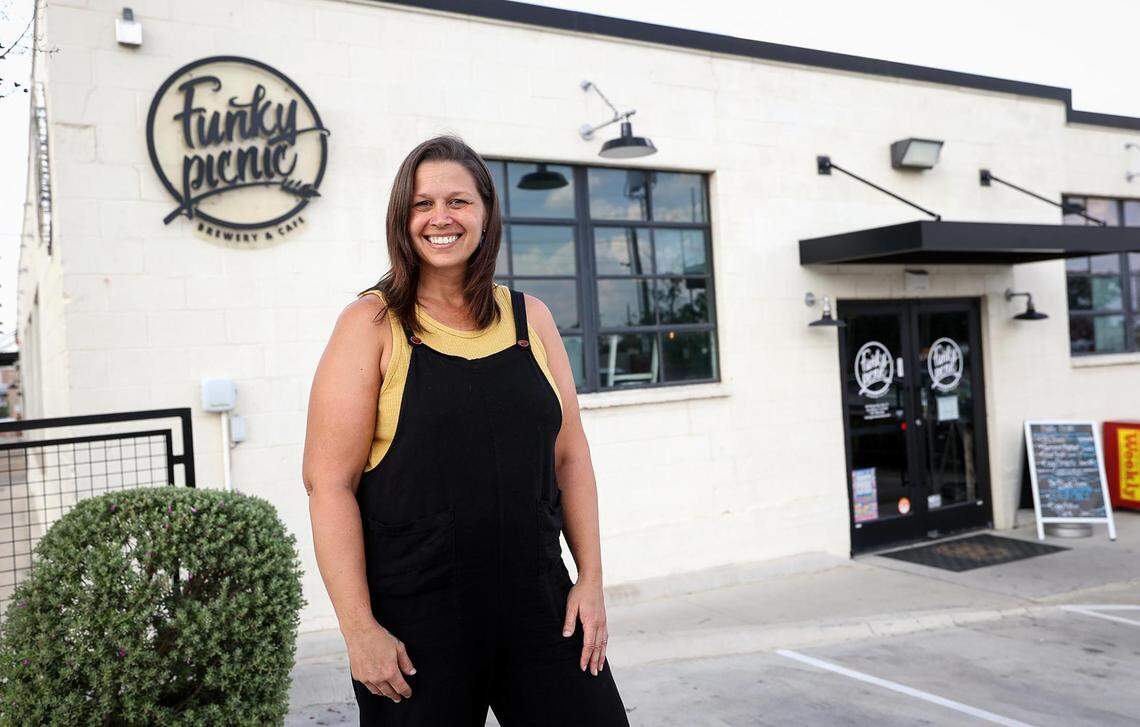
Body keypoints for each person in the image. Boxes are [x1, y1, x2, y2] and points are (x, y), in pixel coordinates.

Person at [302, 136, 630, 726]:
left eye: (458, 201)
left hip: (541, 607)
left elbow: (571, 458)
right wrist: (359, 631)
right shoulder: (372, 324)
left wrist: (591, 580)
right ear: (402, 220)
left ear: (485, 213)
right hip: (416, 628)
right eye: (422, 204)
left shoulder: (532, 318)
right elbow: (328, 485)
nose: (440, 218)